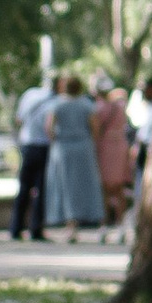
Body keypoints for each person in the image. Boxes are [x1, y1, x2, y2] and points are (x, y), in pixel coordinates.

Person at [45, 73, 104, 238]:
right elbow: (95, 127)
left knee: (66, 184)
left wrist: (56, 141)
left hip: (63, 148)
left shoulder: (57, 104)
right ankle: (96, 219)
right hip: (83, 147)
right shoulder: (86, 104)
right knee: (87, 183)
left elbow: (49, 127)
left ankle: (71, 223)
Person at [10, 75, 54, 241]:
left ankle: (16, 227)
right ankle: (36, 228)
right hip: (43, 146)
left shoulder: (29, 95)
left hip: (27, 145)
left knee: (24, 189)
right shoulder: (54, 101)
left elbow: (18, 119)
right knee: (41, 189)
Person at [91, 77, 134, 228]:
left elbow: (96, 130)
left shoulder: (98, 108)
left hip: (105, 147)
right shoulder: (120, 107)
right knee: (119, 187)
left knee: (105, 187)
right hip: (120, 146)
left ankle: (105, 222)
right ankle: (120, 224)